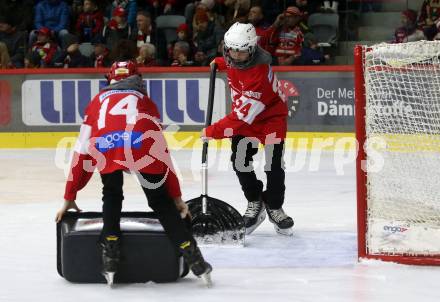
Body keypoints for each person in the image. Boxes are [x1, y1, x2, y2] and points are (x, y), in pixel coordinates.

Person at [55, 61, 212, 285]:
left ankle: (110, 252)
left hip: (106, 145)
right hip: (141, 146)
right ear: (138, 79)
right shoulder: (146, 102)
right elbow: (162, 153)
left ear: (109, 79)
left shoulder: (96, 102)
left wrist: (70, 196)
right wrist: (176, 196)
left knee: (111, 194)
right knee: (160, 202)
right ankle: (193, 255)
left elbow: (81, 152)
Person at [202, 22, 294, 236]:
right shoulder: (235, 56)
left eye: (241, 51)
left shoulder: (257, 75)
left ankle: (274, 206)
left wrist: (212, 132)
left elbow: (240, 118)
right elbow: (231, 62)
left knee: (273, 165)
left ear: (252, 50)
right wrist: (219, 63)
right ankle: (255, 201)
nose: (235, 55)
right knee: (240, 162)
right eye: (230, 50)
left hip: (270, 118)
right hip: (248, 117)